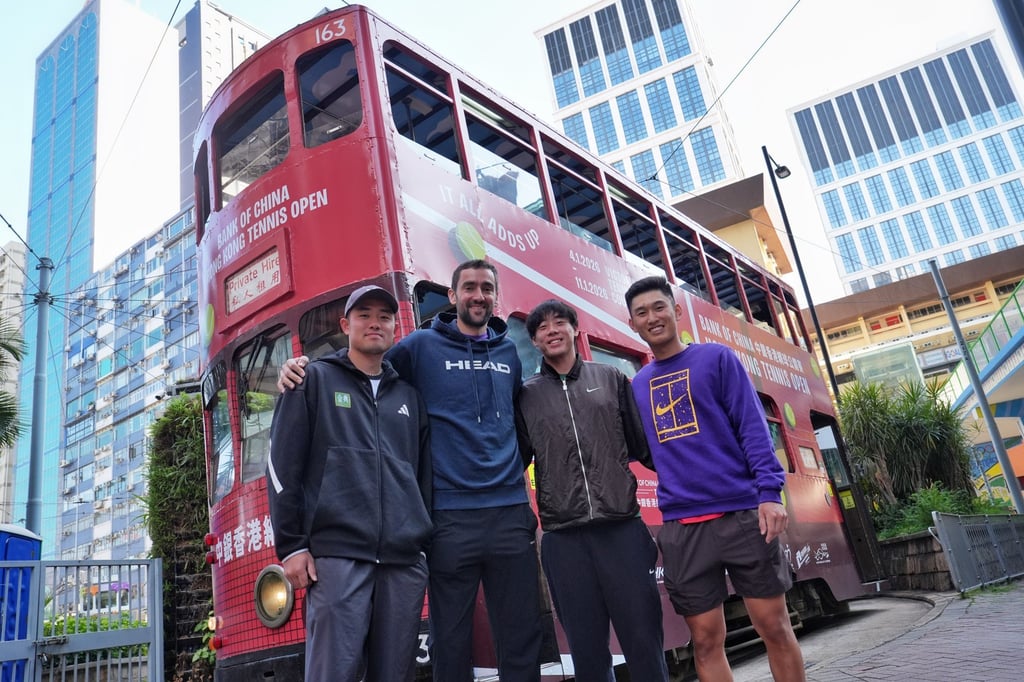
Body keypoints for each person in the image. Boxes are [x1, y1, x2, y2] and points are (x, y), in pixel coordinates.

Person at [278, 260, 543, 682]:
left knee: (520, 635)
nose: (478, 295)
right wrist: (301, 367)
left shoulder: (509, 353)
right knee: (449, 641)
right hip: (448, 521)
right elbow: (363, 365)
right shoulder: (418, 347)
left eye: (487, 288)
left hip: (505, 513)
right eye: (468, 287)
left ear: (496, 297)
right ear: (452, 296)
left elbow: (517, 422)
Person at [623, 276, 806, 682]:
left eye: (659, 307)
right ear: (632, 323)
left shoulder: (717, 359)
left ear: (676, 310)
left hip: (743, 514)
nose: (652, 317)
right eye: (641, 313)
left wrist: (769, 493)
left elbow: (753, 429)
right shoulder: (637, 387)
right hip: (683, 527)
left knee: (774, 626)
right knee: (704, 641)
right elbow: (647, 451)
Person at [266, 285, 433, 681]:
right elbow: (281, 467)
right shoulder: (312, 380)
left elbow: (422, 477)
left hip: (403, 563)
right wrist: (292, 547)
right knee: (332, 674)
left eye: (384, 316)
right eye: (364, 315)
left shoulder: (409, 397)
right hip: (337, 560)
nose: (375, 322)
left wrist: (422, 546)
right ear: (346, 325)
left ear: (395, 327)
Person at [515, 299, 669, 682]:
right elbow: (514, 459)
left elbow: (646, 448)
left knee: (644, 641)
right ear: (534, 340)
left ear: (574, 330)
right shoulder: (527, 395)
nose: (552, 330)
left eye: (559, 322)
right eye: (542, 327)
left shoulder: (612, 380)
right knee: (586, 652)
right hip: (563, 540)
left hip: (623, 531)